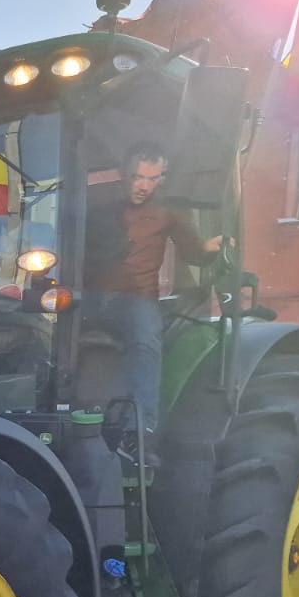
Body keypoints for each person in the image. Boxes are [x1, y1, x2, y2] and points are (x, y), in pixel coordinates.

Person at [84, 142, 229, 463]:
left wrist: (211, 248)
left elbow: (193, 251)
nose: (143, 185)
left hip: (136, 299)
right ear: (125, 174)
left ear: (161, 178)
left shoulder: (167, 214)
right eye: (137, 177)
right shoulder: (100, 208)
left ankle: (138, 433)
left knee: (146, 340)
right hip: (91, 297)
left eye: (152, 178)